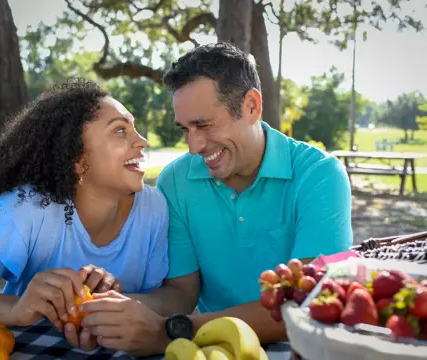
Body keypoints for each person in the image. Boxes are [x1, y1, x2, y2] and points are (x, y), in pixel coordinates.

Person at [76, 42, 353, 356]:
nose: (194, 146)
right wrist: (109, 308)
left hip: (299, 348)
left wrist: (173, 331)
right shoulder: (176, 180)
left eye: (204, 125)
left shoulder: (320, 175)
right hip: (210, 346)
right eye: (185, 129)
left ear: (251, 106)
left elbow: (309, 302)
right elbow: (181, 293)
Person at [0, 78, 169, 351]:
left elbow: (173, 295)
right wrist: (17, 307)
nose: (143, 141)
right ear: (77, 160)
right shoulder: (23, 211)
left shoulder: (154, 208)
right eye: (120, 131)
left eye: (133, 128)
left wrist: (114, 304)